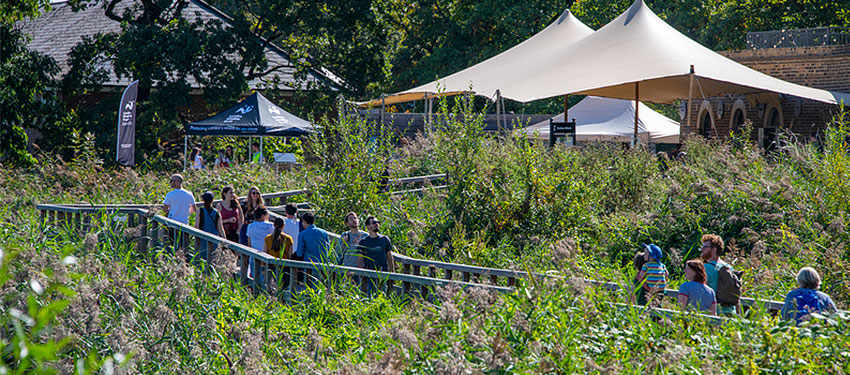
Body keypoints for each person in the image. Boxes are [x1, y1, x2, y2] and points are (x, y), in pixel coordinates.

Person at [701, 234, 741, 315]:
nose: (702, 249)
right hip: (730, 313)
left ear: (714, 249)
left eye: (705, 247)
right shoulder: (729, 267)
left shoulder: (704, 268)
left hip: (712, 313)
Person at [246, 207, 275, 282]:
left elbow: (249, 242)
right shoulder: (270, 226)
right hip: (267, 255)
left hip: (254, 254)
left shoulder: (250, 226)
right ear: (263, 216)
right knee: (266, 279)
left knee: (254, 277)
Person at [195, 191, 225, 261]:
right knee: (213, 261)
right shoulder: (217, 213)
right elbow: (221, 229)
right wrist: (224, 241)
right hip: (214, 240)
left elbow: (196, 226)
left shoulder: (200, 211)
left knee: (202, 260)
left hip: (203, 239)